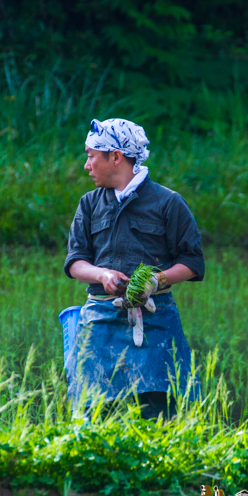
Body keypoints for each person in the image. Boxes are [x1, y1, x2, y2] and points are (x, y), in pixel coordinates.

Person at [64, 117, 205, 420]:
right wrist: (102, 275)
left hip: (156, 322)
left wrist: (158, 280)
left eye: (91, 156)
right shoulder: (88, 204)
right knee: (93, 413)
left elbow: (192, 262)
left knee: (158, 411)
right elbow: (76, 262)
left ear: (115, 157)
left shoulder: (169, 203)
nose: (86, 165)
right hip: (99, 320)